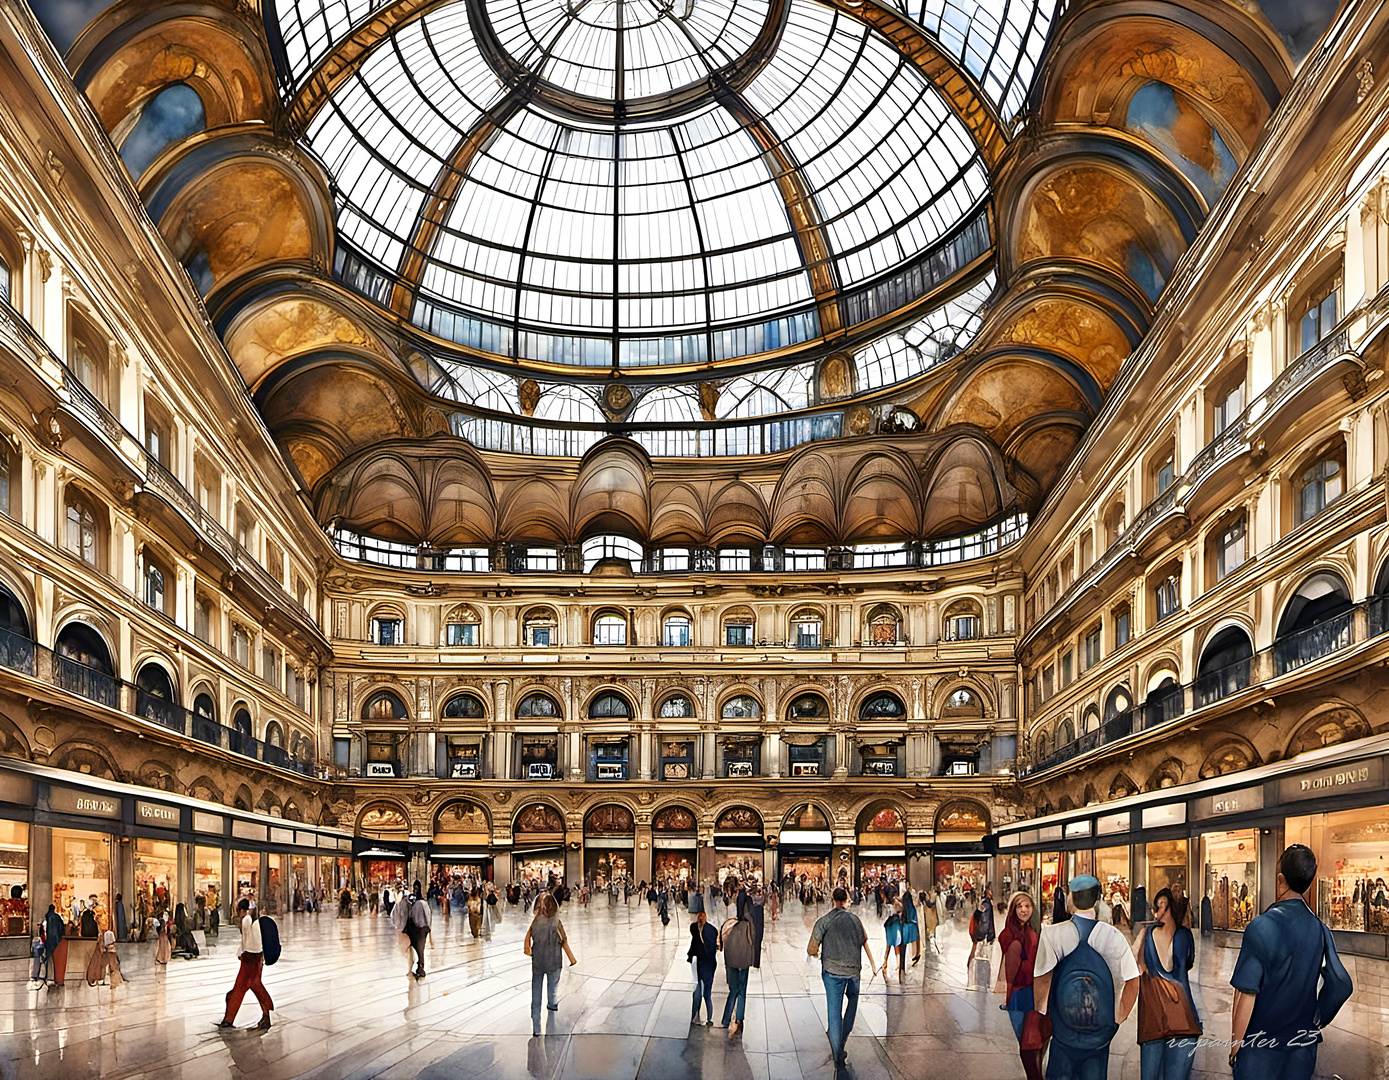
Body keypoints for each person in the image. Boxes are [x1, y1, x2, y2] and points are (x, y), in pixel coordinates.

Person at [1229, 845, 1352, 1080]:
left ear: (1280, 879)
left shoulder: (1260, 927)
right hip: (1303, 1049)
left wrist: (1235, 1049)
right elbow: (1342, 984)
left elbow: (1246, 994)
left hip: (1261, 1050)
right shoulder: (1319, 929)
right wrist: (1317, 1017)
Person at [1034, 874, 1140, 1080]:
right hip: (1099, 1035)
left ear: (1071, 898)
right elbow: (1133, 980)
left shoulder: (1051, 934)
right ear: (1098, 899)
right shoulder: (1113, 937)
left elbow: (1042, 978)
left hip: (1063, 1034)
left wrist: (1042, 1014)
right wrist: (1119, 1018)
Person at [1133, 887, 1200, 1080]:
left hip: (1153, 1018)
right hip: (1184, 1017)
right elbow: (1188, 963)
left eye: (1162, 905)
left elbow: (1133, 967)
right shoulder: (1185, 936)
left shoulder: (1145, 935)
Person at [808, 886, 876, 1070]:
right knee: (852, 1004)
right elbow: (864, 940)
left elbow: (811, 948)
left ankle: (838, 1052)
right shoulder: (855, 920)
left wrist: (820, 953)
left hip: (832, 972)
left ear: (832, 899)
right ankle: (843, 1038)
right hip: (853, 971)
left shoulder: (825, 921)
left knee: (834, 1013)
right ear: (846, 899)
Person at [1000, 892, 1050, 1080]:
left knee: (1036, 1040)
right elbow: (1011, 975)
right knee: (1028, 1043)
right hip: (1022, 994)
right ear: (1013, 909)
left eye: (1027, 906)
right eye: (1020, 906)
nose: (1024, 910)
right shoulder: (1013, 937)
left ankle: (1036, 1075)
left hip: (1035, 991)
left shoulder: (1031, 931)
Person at [525, 892, 577, 1036]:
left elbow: (530, 938)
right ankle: (552, 1007)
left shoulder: (535, 922)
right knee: (552, 988)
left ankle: (536, 1025)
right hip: (554, 960)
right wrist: (571, 958)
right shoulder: (556, 922)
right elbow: (564, 940)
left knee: (536, 991)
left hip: (538, 960)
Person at [217, 899, 273, 1030]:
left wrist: (242, 953)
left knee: (245, 986)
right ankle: (265, 1014)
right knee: (246, 986)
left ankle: (230, 1019)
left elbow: (246, 939)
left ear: (239, 910)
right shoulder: (253, 920)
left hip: (250, 958)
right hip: (255, 956)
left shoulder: (246, 920)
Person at [719, 904, 756, 1040]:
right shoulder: (749, 925)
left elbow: (721, 940)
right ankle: (739, 1018)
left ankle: (726, 1019)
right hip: (743, 961)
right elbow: (753, 942)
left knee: (733, 991)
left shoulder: (728, 924)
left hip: (730, 961)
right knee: (742, 992)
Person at [688, 909, 719, 1026]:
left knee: (698, 993)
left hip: (701, 965)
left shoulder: (696, 930)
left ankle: (695, 1016)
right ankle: (709, 1018)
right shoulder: (710, 930)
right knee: (707, 994)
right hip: (708, 965)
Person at [41, 904, 66, 986]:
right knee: (56, 959)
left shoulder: (46, 918)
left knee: (48, 957)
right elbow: (62, 927)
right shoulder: (56, 917)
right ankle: (54, 977)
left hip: (48, 940)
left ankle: (47, 977)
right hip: (56, 939)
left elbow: (42, 930)